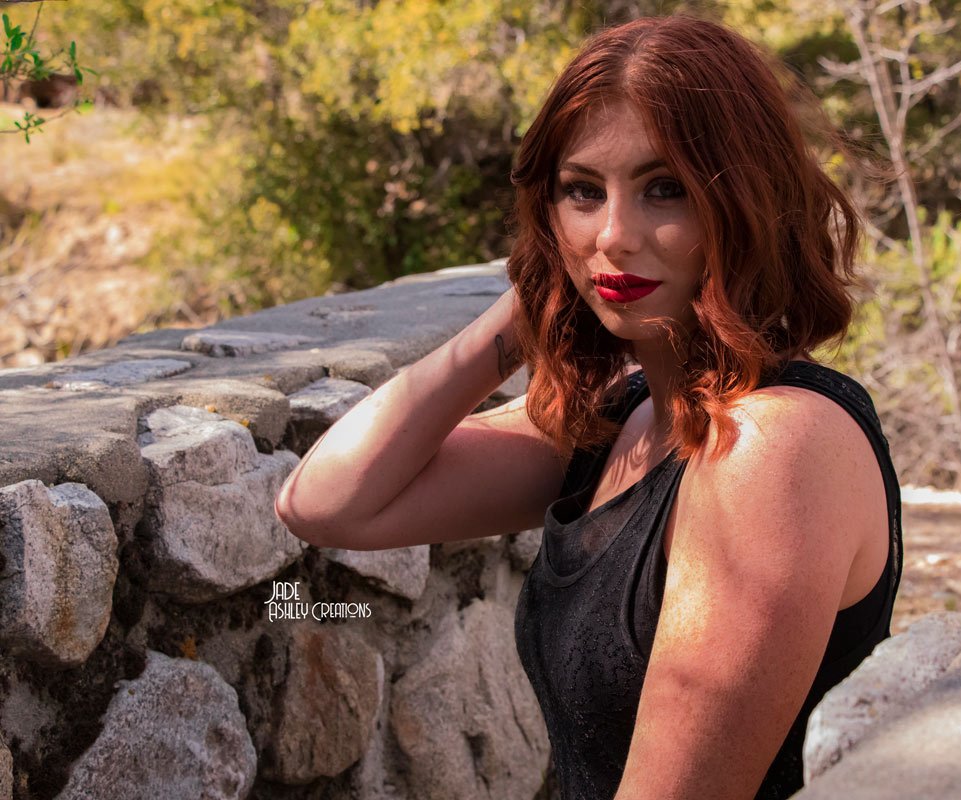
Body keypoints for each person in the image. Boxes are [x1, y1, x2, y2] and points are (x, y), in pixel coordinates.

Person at [275, 13, 902, 800]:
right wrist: (528, 307)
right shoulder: (628, 421)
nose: (613, 235)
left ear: (747, 198)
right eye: (581, 192)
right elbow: (326, 502)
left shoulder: (771, 449)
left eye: (663, 189)